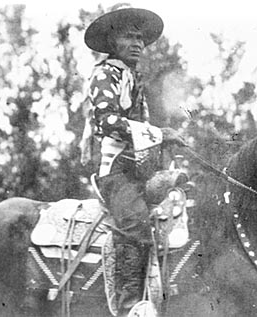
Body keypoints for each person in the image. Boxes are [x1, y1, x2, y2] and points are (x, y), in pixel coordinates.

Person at [82, 6, 186, 315]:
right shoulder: (105, 74)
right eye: (129, 37)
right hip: (115, 172)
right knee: (136, 221)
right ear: (113, 42)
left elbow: (145, 136)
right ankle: (129, 307)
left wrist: (165, 145)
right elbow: (105, 120)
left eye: (141, 39)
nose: (138, 44)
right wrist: (159, 133)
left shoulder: (132, 79)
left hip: (138, 171)